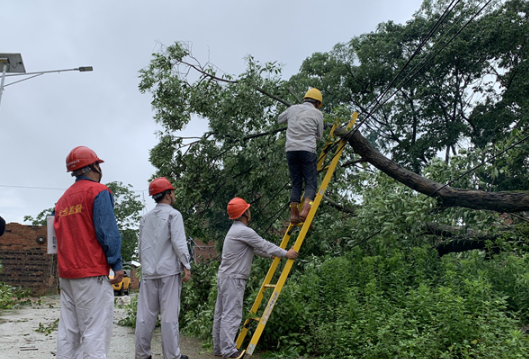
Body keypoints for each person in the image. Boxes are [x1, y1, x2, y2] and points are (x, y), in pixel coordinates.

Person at [53, 146, 123, 359]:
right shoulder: (99, 191)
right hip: (91, 273)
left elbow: (56, 238)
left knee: (69, 333)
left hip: (67, 274)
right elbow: (108, 232)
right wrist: (116, 265)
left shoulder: (62, 200)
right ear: (93, 165)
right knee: (95, 332)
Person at [213, 197, 299, 359]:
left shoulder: (235, 231)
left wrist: (272, 255)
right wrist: (285, 253)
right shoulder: (244, 231)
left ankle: (219, 348)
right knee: (231, 314)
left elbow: (255, 248)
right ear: (244, 212)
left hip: (225, 277)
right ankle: (229, 351)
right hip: (234, 279)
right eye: (247, 208)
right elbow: (263, 244)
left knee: (221, 313)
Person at [135, 177, 191, 359]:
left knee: (145, 316)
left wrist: (144, 268)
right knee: (169, 316)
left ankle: (142, 355)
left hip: (149, 272)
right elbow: (179, 242)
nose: (173, 194)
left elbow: (141, 245)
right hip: (168, 272)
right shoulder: (174, 215)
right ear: (167, 194)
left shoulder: (145, 218)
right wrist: (186, 265)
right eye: (172, 192)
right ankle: (172, 356)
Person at [278, 88, 324, 224]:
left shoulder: (292, 109)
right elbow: (319, 136)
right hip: (307, 150)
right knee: (310, 182)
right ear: (317, 103)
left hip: (291, 150)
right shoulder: (317, 113)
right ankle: (305, 211)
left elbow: (280, 119)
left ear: (305, 99)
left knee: (296, 183)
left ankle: (293, 215)